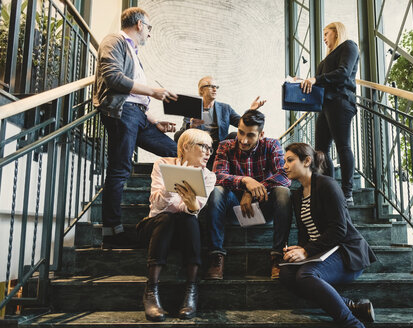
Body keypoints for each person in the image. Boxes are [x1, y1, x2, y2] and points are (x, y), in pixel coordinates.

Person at [94, 7, 178, 249]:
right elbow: (114, 78)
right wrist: (154, 91)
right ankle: (112, 233)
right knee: (120, 169)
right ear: (140, 24)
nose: (150, 34)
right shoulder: (115, 40)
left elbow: (136, 96)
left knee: (175, 153)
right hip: (123, 115)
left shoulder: (133, 50)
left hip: (139, 116)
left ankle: (177, 213)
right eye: (149, 28)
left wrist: (154, 121)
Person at [280, 142, 377, 327]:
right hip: (321, 252)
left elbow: (339, 229)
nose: (285, 166)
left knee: (305, 276)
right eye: (284, 161)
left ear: (307, 161)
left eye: (290, 160)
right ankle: (349, 305)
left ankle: (352, 323)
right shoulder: (298, 195)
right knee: (285, 273)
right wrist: (300, 248)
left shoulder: (327, 184)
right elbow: (304, 232)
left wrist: (306, 251)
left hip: (346, 252)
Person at [136, 129, 216, 321]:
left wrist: (190, 204)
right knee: (167, 218)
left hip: (183, 232)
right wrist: (172, 185)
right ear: (186, 147)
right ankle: (151, 291)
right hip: (155, 227)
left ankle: (191, 291)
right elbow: (156, 204)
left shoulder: (208, 176)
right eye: (203, 146)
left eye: (210, 149)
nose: (208, 152)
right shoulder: (162, 164)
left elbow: (195, 209)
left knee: (188, 218)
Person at [204, 110, 291, 280]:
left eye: (250, 135)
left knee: (283, 191)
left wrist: (252, 191)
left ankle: (278, 256)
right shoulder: (225, 146)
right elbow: (218, 176)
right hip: (232, 206)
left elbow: (284, 175)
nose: (243, 140)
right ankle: (216, 255)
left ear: (261, 134)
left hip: (263, 206)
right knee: (217, 190)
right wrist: (245, 181)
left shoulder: (272, 145)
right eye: (241, 132)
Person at [299, 22, 359, 205]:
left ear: (336, 32)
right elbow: (318, 84)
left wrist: (316, 79)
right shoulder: (324, 62)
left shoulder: (349, 46)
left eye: (326, 33)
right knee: (320, 152)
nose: (324, 38)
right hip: (325, 105)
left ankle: (347, 193)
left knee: (343, 146)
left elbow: (343, 73)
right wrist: (301, 82)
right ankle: (330, 188)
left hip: (341, 101)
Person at [173, 76, 266, 170]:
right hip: (199, 146)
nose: (214, 89)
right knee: (178, 135)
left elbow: (241, 123)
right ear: (201, 90)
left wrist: (251, 110)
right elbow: (183, 132)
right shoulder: (192, 108)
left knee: (234, 135)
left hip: (220, 146)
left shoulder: (225, 108)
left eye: (216, 87)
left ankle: (243, 165)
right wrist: (191, 126)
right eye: (211, 86)